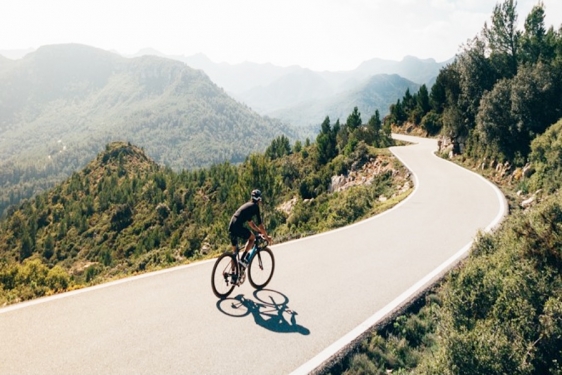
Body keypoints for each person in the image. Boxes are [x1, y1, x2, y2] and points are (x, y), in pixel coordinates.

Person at [228, 189, 272, 267]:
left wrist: (260, 232)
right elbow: (261, 226)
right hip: (237, 226)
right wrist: (267, 237)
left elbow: (251, 224)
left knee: (234, 253)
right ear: (259, 199)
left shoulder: (248, 206)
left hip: (231, 225)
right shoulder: (255, 207)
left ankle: (234, 275)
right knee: (252, 238)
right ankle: (242, 259)